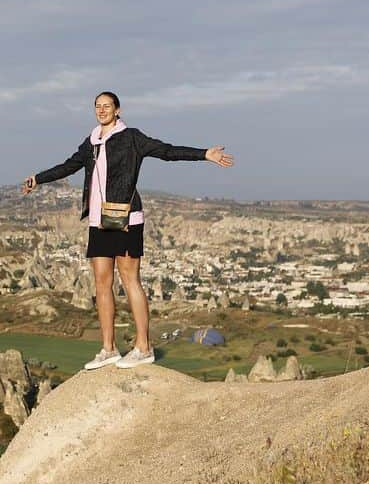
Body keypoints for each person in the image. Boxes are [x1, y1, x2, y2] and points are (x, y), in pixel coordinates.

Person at [22, 91, 234, 370]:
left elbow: (166, 151)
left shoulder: (131, 137)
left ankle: (143, 346)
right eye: (97, 106)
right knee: (101, 282)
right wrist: (38, 179)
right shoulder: (92, 141)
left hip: (126, 218)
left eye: (107, 106)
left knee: (130, 278)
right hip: (99, 220)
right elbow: (69, 166)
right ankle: (108, 348)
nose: (101, 110)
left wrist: (204, 154)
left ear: (118, 109)